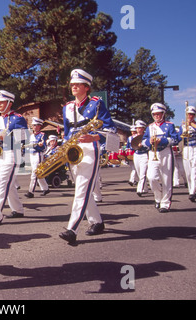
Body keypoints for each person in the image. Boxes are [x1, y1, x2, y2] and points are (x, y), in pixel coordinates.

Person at [59, 69, 116, 245]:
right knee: (83, 190)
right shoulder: (67, 107)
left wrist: (94, 136)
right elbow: (67, 133)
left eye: (78, 84)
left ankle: (72, 229)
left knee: (82, 190)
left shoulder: (97, 104)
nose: (73, 86)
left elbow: (111, 130)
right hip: (74, 151)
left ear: (87, 87)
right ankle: (97, 222)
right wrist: (62, 150)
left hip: (90, 148)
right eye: (72, 84)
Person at [0, 90, 27, 225]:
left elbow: (23, 138)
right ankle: (18, 210)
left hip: (12, 154)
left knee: (3, 183)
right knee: (9, 184)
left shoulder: (17, 118)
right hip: (0, 155)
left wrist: (8, 136)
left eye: (2, 102)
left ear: (9, 103)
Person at [142, 103, 179, 213]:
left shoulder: (169, 125)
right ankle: (158, 197)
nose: (157, 116)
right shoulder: (150, 127)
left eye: (159, 114)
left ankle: (165, 203)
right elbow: (144, 141)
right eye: (155, 114)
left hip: (166, 152)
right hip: (153, 152)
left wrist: (162, 140)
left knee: (166, 179)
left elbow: (175, 139)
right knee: (151, 177)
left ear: (163, 114)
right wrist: (149, 141)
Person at [178, 105, 196, 202]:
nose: (190, 116)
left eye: (192, 115)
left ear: (195, 115)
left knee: (195, 172)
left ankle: (192, 193)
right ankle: (193, 190)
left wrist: (193, 125)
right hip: (187, 149)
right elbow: (179, 137)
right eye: (189, 114)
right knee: (188, 173)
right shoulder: (182, 126)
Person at [132, 120, 149, 197]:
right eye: (137, 128)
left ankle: (139, 189)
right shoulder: (133, 137)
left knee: (142, 173)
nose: (138, 129)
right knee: (139, 173)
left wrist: (143, 145)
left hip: (144, 155)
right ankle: (145, 188)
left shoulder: (146, 136)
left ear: (143, 129)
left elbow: (149, 146)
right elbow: (130, 146)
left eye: (140, 128)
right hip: (136, 155)